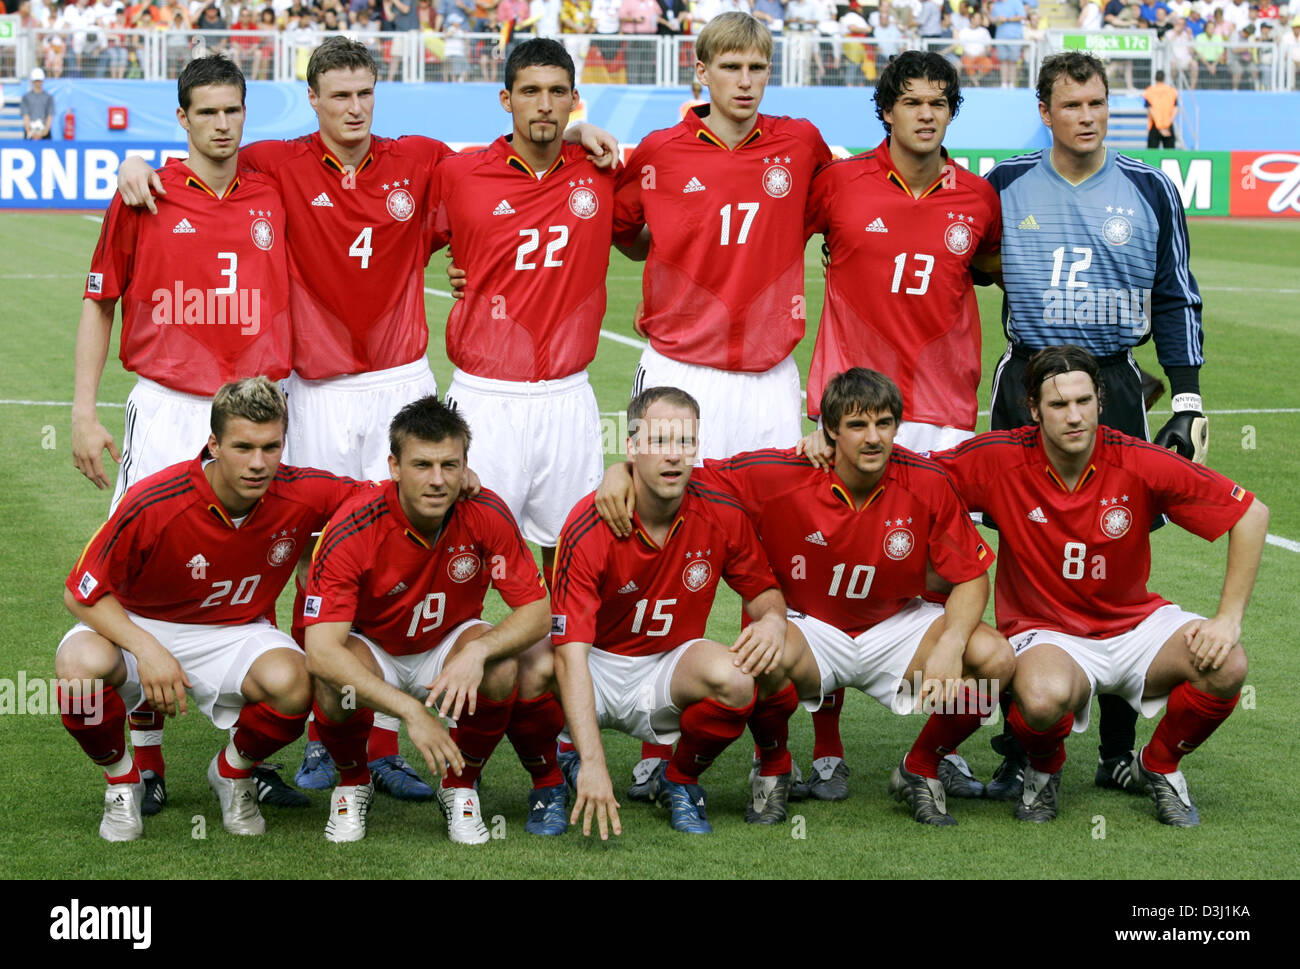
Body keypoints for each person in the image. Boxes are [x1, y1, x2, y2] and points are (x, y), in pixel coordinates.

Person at [116, 37, 616, 801]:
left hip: (400, 380)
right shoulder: (276, 163)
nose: (354, 108)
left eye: (365, 94)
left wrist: (573, 130)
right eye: (339, 95)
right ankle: (326, 735)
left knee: (414, 542)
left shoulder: (421, 158)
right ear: (311, 99)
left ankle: (385, 745)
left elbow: (518, 149)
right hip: (314, 388)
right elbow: (203, 156)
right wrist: (136, 163)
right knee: (318, 553)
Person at [595, 369, 1015, 826]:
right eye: (857, 426)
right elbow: (690, 475)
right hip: (811, 629)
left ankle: (921, 766)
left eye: (885, 424)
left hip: (897, 629)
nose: (873, 438)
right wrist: (621, 470)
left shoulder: (925, 481)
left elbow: (972, 577)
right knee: (761, 656)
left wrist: (951, 647)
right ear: (829, 430)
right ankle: (774, 769)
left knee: (994, 660)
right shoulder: (780, 474)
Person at [611, 11, 832, 794]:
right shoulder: (658, 151)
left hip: (769, 375)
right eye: (730, 67)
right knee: (662, 548)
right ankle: (651, 740)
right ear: (698, 72)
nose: (745, 82)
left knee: (767, 559)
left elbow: (830, 222)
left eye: (758, 68)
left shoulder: (800, 144)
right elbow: (626, 234)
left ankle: (776, 752)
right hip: (680, 372)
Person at [73, 55, 301, 812]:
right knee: (139, 570)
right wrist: (82, 410)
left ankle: (246, 741)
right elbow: (100, 300)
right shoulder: (146, 192)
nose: (222, 124)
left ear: (246, 112)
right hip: (172, 406)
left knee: (253, 554)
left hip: (259, 413)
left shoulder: (275, 186)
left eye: (232, 110)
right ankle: (145, 757)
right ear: (182, 118)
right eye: (206, 112)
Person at [981, 51, 1209, 799]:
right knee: (1025, 542)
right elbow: (963, 268)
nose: (1088, 117)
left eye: (1099, 104)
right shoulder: (1006, 184)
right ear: (1044, 111)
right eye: (1072, 105)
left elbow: (1176, 296)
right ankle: (1022, 738)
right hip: (1028, 379)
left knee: (1116, 547)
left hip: (1113, 379)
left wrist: (1188, 397)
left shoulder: (1149, 187)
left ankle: (1117, 749)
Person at [931, 347, 1267, 826]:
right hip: (1046, 632)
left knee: (1227, 665)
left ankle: (1158, 765)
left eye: (1084, 401)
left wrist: (1228, 619)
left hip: (1135, 627)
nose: (1074, 416)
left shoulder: (1138, 459)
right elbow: (911, 476)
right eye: (1058, 405)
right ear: (1033, 409)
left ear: (1100, 402)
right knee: (1042, 698)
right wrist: (824, 444)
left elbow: (1250, 514)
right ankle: (1045, 772)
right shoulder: (999, 458)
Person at [798, 51, 1001, 796]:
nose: (925, 113)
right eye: (911, 101)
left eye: (939, 102)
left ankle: (937, 747)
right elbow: (764, 241)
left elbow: (994, 267)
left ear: (951, 113)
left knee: (952, 583)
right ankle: (825, 746)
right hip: (850, 414)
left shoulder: (979, 198)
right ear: (886, 110)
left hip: (944, 415)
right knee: (832, 576)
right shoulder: (838, 184)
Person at [56, 377, 370, 841]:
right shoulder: (153, 501)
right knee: (78, 668)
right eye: (243, 447)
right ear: (214, 444)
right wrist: (148, 648)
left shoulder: (303, 491)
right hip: (140, 623)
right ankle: (122, 782)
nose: (259, 463)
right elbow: (79, 593)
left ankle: (232, 771)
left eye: (271, 447)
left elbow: (388, 498)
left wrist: (456, 481)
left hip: (234, 630)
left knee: (297, 683)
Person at [528, 386, 788, 837]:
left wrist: (773, 620)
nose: (674, 456)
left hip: (669, 667)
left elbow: (764, 591)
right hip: (596, 665)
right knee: (528, 667)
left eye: (685, 442)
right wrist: (594, 763)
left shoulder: (721, 511)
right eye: (660, 441)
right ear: (630, 447)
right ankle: (550, 782)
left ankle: (681, 779)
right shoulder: (589, 524)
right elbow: (571, 654)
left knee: (738, 677)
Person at [302, 397, 552, 843]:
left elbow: (537, 612)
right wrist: (411, 711)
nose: (438, 480)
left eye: (449, 465)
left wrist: (478, 649)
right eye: (422, 465)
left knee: (501, 665)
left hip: (446, 642)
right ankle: (353, 782)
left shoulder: (485, 512)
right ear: (394, 467)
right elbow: (320, 651)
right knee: (331, 682)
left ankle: (460, 787)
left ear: (465, 465)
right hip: (374, 647)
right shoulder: (355, 525)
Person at [432, 38, 612, 590]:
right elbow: (395, 246)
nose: (544, 105)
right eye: (530, 92)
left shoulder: (602, 171)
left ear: (574, 101)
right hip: (486, 396)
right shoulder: (460, 176)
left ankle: (559, 672)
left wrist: (583, 137)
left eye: (557, 93)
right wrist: (455, 268)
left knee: (570, 552)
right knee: (465, 551)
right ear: (505, 99)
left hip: (568, 396)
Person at [1143, 69, 1178, 148]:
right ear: (1164, 78)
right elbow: (1175, 109)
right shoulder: (1172, 91)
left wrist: (1159, 126)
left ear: (1155, 78)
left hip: (1155, 125)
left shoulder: (1149, 91)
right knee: (1170, 156)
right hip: (1167, 125)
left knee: (1151, 155)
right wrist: (1167, 125)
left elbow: (1150, 110)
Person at [21, 67, 54, 139]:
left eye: (40, 80)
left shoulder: (48, 97)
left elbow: (50, 116)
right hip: (30, 132)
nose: (38, 83)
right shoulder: (26, 97)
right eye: (36, 80)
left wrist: (44, 132)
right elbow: (25, 116)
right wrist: (29, 131)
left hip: (45, 132)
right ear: (33, 81)